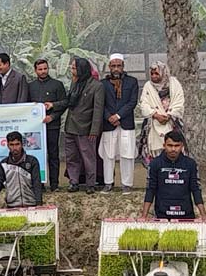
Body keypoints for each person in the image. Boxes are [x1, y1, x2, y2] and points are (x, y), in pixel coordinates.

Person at [141, 131, 206, 220]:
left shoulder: (190, 164)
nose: (173, 149)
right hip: (162, 215)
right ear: (164, 145)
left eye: (176, 146)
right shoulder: (155, 164)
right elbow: (150, 189)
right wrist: (144, 216)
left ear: (182, 146)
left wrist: (204, 215)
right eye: (170, 145)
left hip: (186, 214)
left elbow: (196, 189)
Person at [99, 54, 139, 195]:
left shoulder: (132, 82)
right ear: (109, 67)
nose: (116, 69)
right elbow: (100, 104)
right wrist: (109, 116)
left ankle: (126, 184)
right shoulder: (102, 84)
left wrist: (118, 115)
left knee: (127, 154)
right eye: (113, 66)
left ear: (123, 67)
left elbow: (132, 102)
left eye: (119, 66)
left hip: (126, 123)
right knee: (108, 154)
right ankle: (108, 183)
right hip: (108, 124)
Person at [65, 57, 104, 194]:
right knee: (71, 157)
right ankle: (73, 182)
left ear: (82, 69)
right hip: (70, 126)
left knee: (88, 157)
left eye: (74, 68)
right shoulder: (74, 83)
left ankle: (90, 184)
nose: (72, 70)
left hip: (86, 128)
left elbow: (98, 110)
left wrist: (94, 130)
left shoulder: (96, 86)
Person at [28, 58, 67, 192]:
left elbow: (64, 104)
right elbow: (27, 106)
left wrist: (52, 116)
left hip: (52, 126)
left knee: (53, 154)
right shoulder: (30, 86)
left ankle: (54, 184)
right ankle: (39, 184)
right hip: (35, 128)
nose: (43, 71)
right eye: (40, 69)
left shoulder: (57, 85)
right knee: (37, 155)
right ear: (35, 71)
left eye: (45, 68)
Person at [138, 61, 185, 167]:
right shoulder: (148, 86)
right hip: (153, 125)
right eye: (152, 74)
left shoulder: (174, 83)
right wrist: (155, 115)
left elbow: (179, 101)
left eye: (156, 73)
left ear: (163, 73)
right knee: (154, 156)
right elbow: (144, 104)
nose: (154, 76)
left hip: (171, 123)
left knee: (173, 150)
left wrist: (169, 115)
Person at [0, 131, 43, 208]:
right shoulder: (4, 164)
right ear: (8, 145)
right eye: (11, 145)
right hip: (12, 206)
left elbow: (37, 183)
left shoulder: (32, 161)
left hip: (31, 204)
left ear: (22, 144)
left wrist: (39, 203)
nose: (14, 148)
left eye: (17, 144)